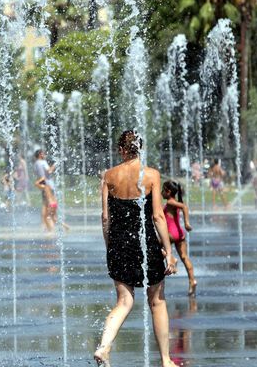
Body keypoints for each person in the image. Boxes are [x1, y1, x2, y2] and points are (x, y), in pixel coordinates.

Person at [95, 130, 178, 367]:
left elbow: (105, 218)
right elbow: (158, 217)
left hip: (119, 242)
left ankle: (104, 347)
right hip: (145, 242)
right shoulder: (151, 175)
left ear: (122, 150)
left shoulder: (109, 176)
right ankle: (165, 359)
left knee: (124, 301)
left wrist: (109, 247)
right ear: (140, 148)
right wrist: (169, 252)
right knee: (157, 300)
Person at [162, 180, 197, 296]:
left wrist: (187, 223)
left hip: (170, 234)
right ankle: (192, 281)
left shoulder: (171, 202)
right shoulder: (173, 201)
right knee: (185, 257)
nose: (161, 192)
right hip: (180, 234)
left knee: (152, 244)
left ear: (168, 191)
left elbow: (185, 207)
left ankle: (171, 259)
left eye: (163, 190)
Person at [34, 149, 56, 230]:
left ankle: (43, 224)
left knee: (44, 205)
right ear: (40, 154)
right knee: (51, 206)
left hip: (42, 185)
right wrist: (55, 165)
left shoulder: (36, 164)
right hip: (49, 185)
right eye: (44, 153)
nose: (45, 155)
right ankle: (51, 226)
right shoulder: (43, 162)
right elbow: (49, 171)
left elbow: (37, 174)